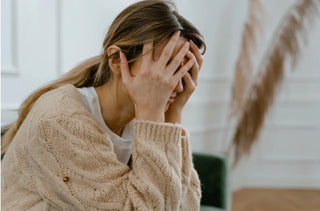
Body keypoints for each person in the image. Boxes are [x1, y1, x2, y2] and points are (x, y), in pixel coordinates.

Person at [1, 0, 206, 210]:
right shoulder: (61, 120)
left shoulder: (145, 116)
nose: (175, 83)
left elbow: (184, 206)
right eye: (165, 66)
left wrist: (173, 116)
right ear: (117, 60)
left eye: (185, 69)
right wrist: (155, 117)